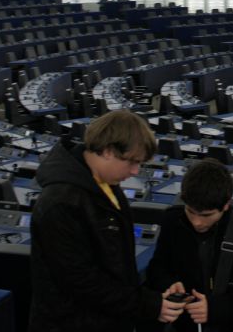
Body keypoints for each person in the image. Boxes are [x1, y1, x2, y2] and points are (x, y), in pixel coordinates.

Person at [29, 109, 179, 332]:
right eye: (132, 162)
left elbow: (115, 264)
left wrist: (150, 296)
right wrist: (147, 304)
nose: (135, 171)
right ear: (108, 151)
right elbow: (82, 281)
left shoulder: (106, 185)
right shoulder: (60, 203)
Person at [146, 159, 233, 332]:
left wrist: (216, 308)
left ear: (226, 204)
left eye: (206, 215)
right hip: (186, 325)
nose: (197, 222)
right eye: (190, 211)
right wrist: (170, 284)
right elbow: (157, 269)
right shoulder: (172, 220)